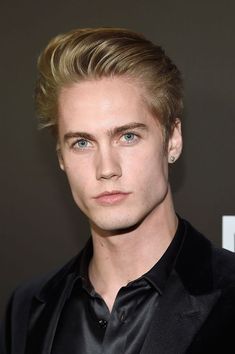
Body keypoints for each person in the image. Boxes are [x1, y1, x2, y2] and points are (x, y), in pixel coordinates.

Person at [1, 27, 235, 354]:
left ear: (173, 140)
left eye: (127, 137)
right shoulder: (26, 309)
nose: (106, 168)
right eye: (82, 143)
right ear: (61, 158)